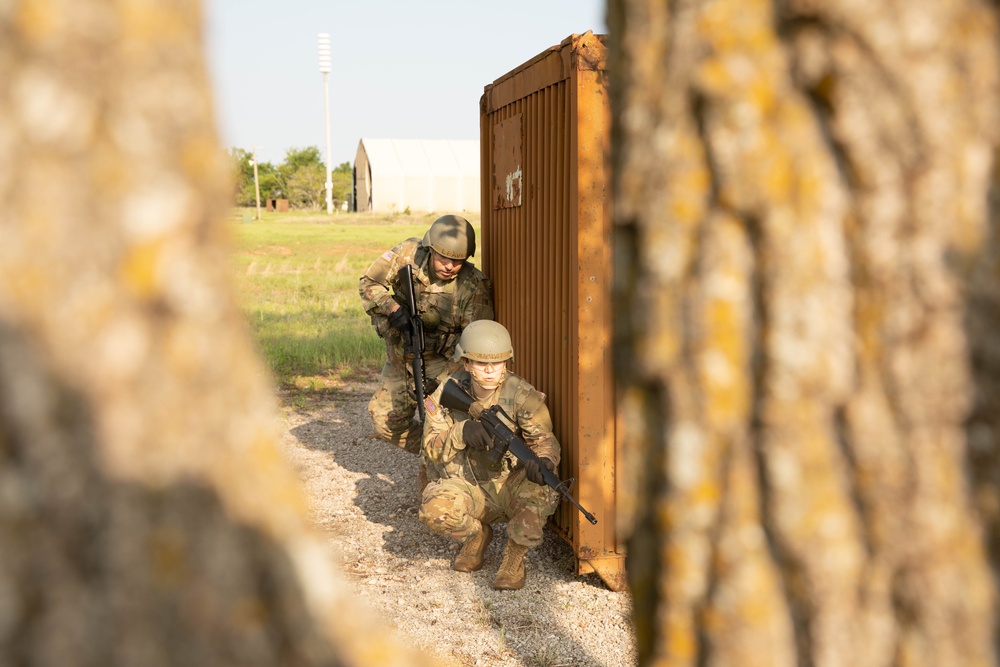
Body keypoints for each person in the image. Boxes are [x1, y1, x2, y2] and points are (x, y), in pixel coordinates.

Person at [418, 320, 560, 591]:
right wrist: (461, 432)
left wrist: (544, 461)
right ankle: (476, 536)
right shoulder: (445, 393)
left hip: (510, 485)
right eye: (482, 364)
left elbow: (545, 441)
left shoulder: (522, 395)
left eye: (498, 363)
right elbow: (430, 449)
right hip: (467, 483)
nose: (491, 370)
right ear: (467, 364)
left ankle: (514, 558)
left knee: (544, 492)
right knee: (434, 511)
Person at [359, 214, 494, 454]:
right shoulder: (408, 254)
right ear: (430, 248)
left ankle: (440, 459)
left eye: (457, 260)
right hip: (401, 354)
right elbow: (368, 284)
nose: (449, 266)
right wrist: (394, 310)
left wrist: (441, 379)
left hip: (441, 363)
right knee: (384, 420)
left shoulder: (473, 287)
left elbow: (475, 343)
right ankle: (430, 451)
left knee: (440, 418)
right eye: (443, 257)